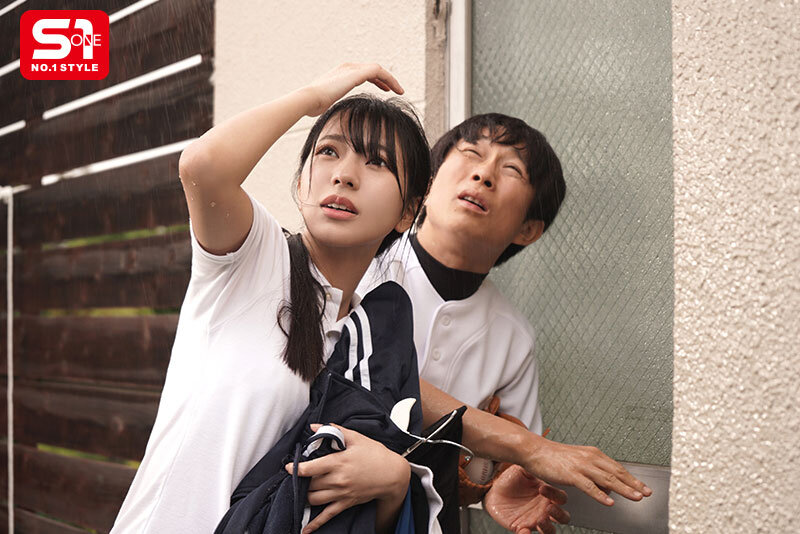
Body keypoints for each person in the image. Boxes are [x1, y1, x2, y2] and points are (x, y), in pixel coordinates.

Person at [111, 63, 439, 534]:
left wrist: (393, 482)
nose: (344, 176)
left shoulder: (374, 345)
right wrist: (313, 96)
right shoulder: (255, 257)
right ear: (302, 179)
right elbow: (201, 167)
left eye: (377, 162)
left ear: (409, 211)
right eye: (329, 151)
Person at [359, 113, 652, 533]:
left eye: (511, 169)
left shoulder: (513, 336)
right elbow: (367, 379)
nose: (483, 174)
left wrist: (493, 483)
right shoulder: (359, 263)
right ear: (428, 184)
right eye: (471, 153)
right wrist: (523, 446)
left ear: (528, 229)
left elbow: (513, 468)